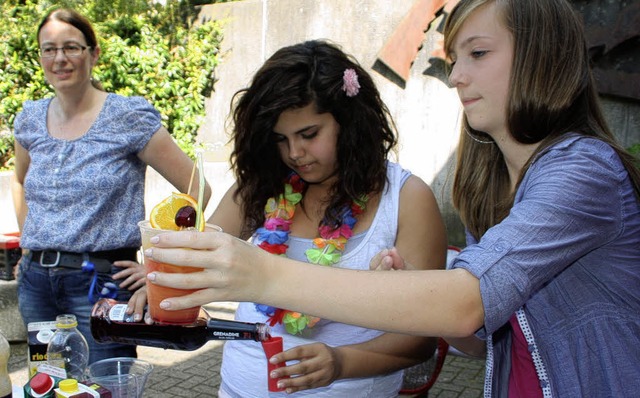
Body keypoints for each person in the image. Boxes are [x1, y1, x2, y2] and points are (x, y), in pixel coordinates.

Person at [141, 0, 640, 396]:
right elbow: (475, 337)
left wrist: (263, 274)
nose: (457, 76)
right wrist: (413, 295)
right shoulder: (495, 186)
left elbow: (466, 306)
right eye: (455, 58)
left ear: (541, 56)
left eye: (478, 54)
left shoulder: (584, 170)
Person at [139, 39, 446, 397]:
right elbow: (199, 260)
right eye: (280, 139)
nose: (295, 153)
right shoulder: (261, 187)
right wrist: (160, 281)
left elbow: (421, 341)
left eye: (309, 134)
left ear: (350, 122)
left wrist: (342, 362)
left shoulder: (407, 199)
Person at [11, 8, 211, 364]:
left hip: (100, 286)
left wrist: (158, 269)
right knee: (46, 380)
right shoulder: (28, 119)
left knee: (104, 384)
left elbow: (198, 188)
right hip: (36, 285)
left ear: (94, 53)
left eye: (71, 47)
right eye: (49, 49)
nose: (59, 58)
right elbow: (19, 181)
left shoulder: (126, 117)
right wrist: (29, 249)